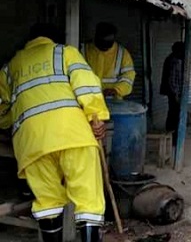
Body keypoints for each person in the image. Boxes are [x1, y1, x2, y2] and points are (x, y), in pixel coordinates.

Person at [0, 23, 109, 242]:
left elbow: (3, 111)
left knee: (47, 203)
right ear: (53, 39)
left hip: (32, 143)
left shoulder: (9, 68)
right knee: (88, 200)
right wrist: (97, 116)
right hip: (73, 135)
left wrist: (10, 124)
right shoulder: (65, 53)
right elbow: (87, 86)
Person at [82, 22, 135, 99]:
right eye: (101, 45)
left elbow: (129, 76)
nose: (104, 49)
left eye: (107, 47)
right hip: (88, 98)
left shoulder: (122, 53)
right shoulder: (83, 50)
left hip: (113, 101)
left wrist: (117, 90)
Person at [160, 41, 184, 147]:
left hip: (172, 92)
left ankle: (171, 136)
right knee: (175, 115)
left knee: (172, 114)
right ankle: (173, 138)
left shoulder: (170, 58)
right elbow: (174, 81)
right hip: (174, 93)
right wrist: (177, 95)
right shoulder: (175, 61)